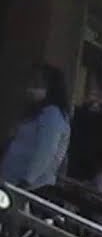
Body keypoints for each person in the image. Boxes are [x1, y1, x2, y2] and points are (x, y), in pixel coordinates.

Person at [2, 64, 71, 192]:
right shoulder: (36, 113)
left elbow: (46, 150)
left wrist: (27, 180)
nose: (31, 87)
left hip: (31, 187)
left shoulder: (52, 114)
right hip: (11, 181)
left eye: (37, 83)